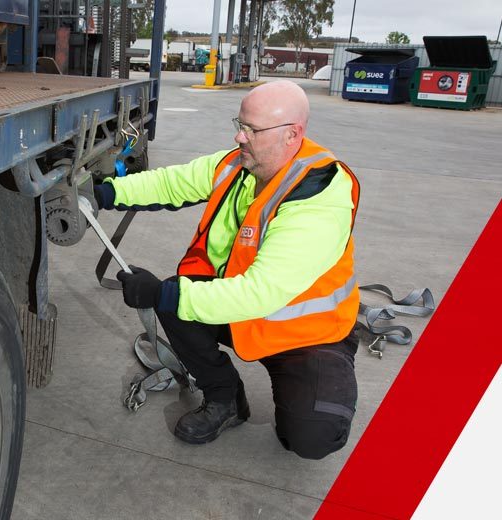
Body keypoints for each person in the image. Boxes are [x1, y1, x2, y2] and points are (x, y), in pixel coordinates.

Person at [95, 80, 360, 460]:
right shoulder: (238, 164)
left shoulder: (317, 196)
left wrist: (161, 294)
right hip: (245, 315)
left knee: (312, 438)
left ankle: (316, 392)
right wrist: (108, 193)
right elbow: (173, 182)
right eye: (240, 123)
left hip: (306, 335)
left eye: (252, 129)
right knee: (178, 299)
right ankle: (225, 397)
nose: (239, 135)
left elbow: (261, 293)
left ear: (292, 134)